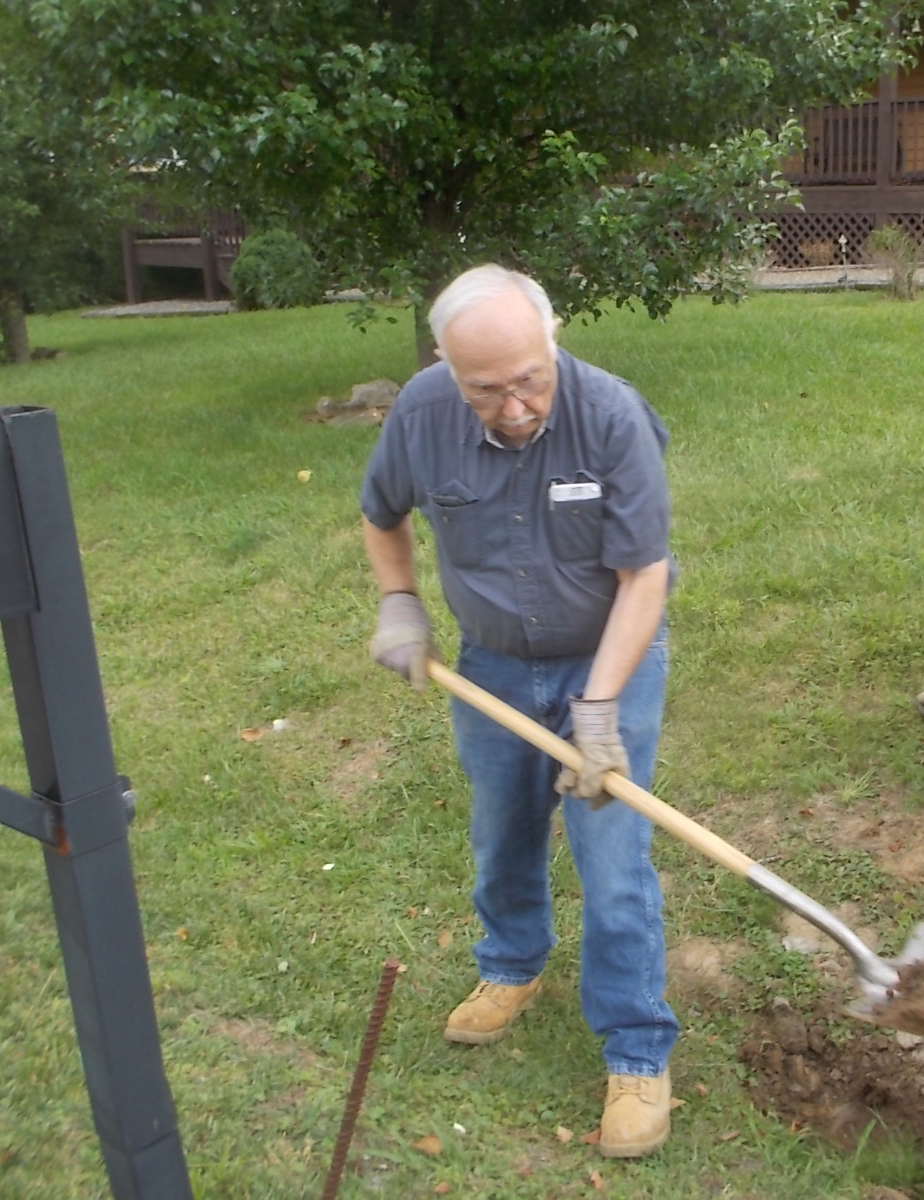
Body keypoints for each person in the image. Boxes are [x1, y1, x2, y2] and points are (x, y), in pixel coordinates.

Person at [359, 264, 679, 1158]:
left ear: (553, 337)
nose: (513, 408)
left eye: (529, 381)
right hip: (492, 664)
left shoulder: (611, 416)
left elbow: (644, 576)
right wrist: (400, 601)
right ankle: (511, 967)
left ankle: (637, 1048)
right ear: (445, 365)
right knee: (501, 830)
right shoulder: (421, 412)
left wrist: (599, 710)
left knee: (612, 859)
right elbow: (382, 514)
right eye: (485, 390)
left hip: (606, 655)